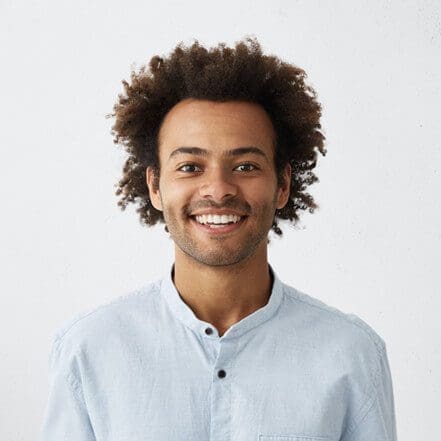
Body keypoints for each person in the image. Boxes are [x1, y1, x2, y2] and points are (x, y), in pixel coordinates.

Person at [40, 37, 397, 440]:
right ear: (155, 187)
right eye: (191, 166)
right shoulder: (88, 350)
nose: (219, 188)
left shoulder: (352, 353)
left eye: (245, 165)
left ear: (282, 184)